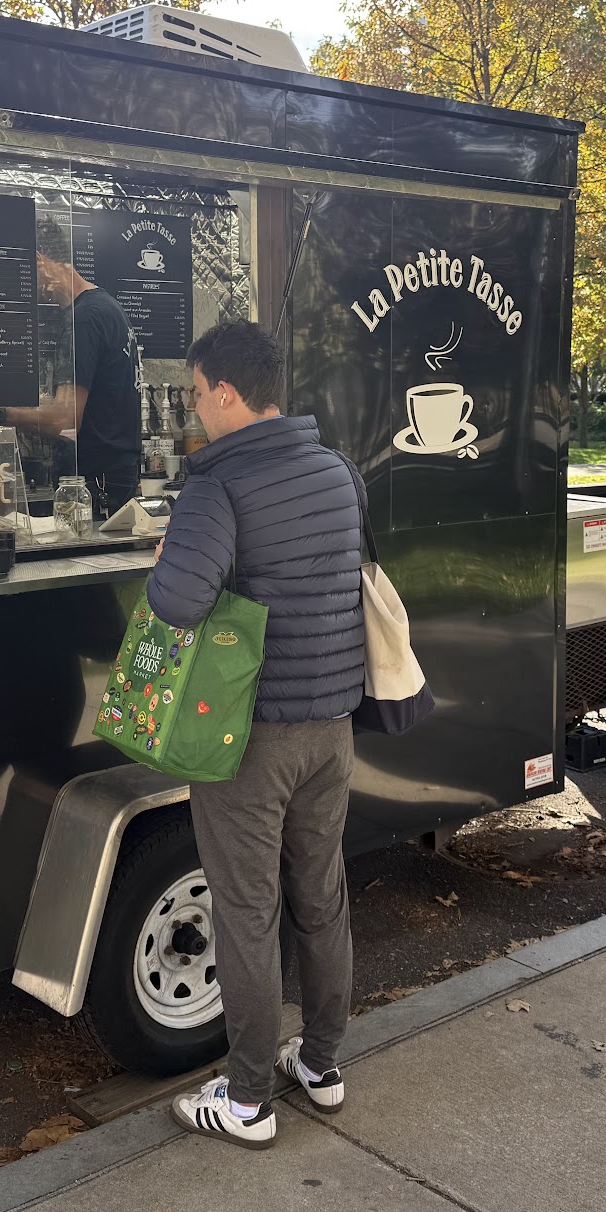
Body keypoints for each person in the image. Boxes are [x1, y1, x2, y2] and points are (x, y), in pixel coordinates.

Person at [145, 319, 366, 1151]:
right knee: (321, 896)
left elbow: (177, 604)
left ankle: (245, 1101)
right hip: (330, 728)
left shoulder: (218, 487)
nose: (194, 411)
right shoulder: (337, 471)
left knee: (245, 912)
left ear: (227, 393)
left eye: (197, 395)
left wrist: (168, 553)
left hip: (250, 738)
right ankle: (322, 1063)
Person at [0, 214, 142, 517]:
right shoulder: (107, 306)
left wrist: (0, 413)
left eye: (21, 274)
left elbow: (63, 417)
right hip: (113, 478)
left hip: (97, 485)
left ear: (39, 261)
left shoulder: (84, 319)